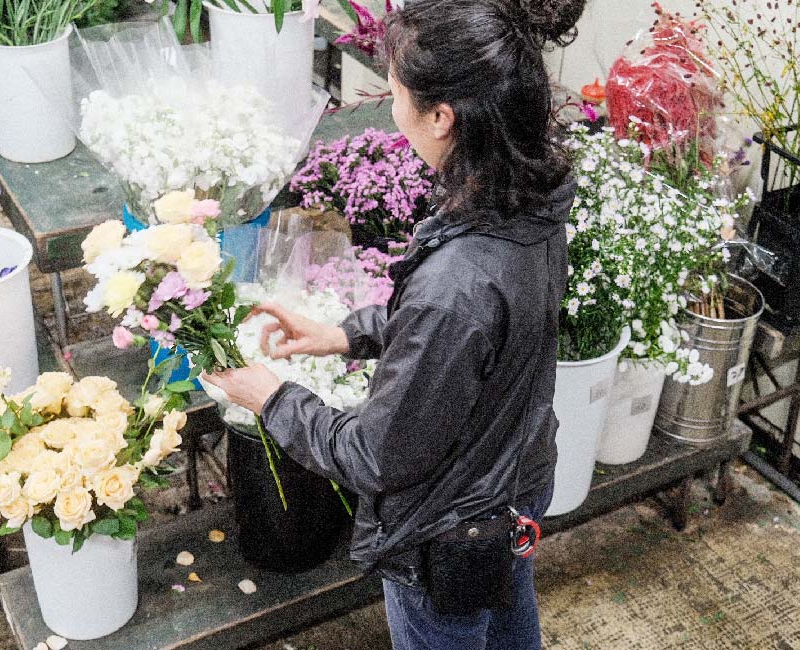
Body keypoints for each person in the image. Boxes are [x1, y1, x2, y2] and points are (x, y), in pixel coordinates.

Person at [202, 0, 585, 646]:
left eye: (398, 91)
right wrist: (346, 334)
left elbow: (374, 455)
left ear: (442, 117)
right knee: (512, 620)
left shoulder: (458, 278)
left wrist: (272, 398)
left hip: (450, 530)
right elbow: (477, 328)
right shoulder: (529, 195)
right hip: (517, 484)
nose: (391, 104)